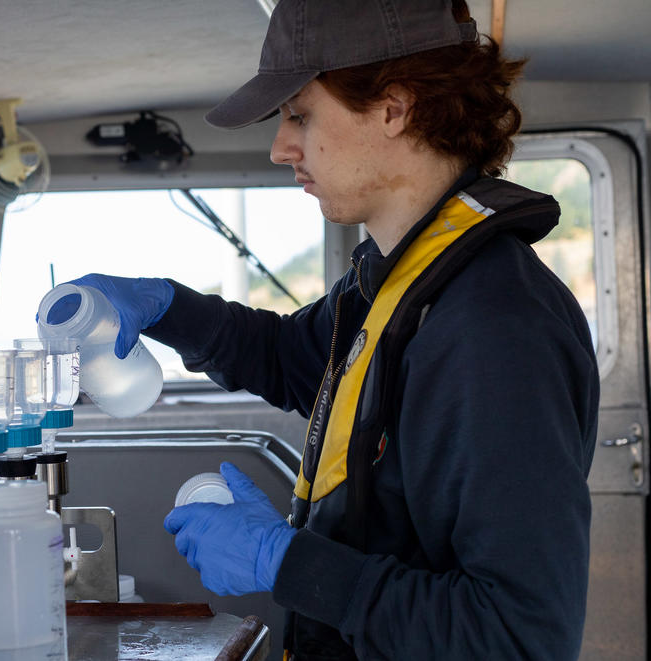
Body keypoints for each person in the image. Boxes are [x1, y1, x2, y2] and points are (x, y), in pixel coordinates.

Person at [64, 0, 599, 658]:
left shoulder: (495, 327)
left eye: (299, 114)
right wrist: (166, 307)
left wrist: (285, 561)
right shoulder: (399, 284)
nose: (279, 146)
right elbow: (292, 356)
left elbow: (518, 637)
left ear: (395, 108)